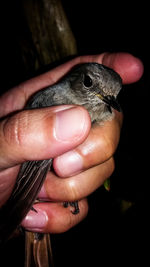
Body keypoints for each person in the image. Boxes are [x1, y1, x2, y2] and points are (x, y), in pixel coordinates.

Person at [0, 52, 143, 234]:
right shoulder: (54, 100)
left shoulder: (105, 113)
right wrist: (14, 209)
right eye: (89, 83)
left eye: (113, 96)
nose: (105, 97)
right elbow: (31, 166)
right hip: (25, 188)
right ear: (75, 79)